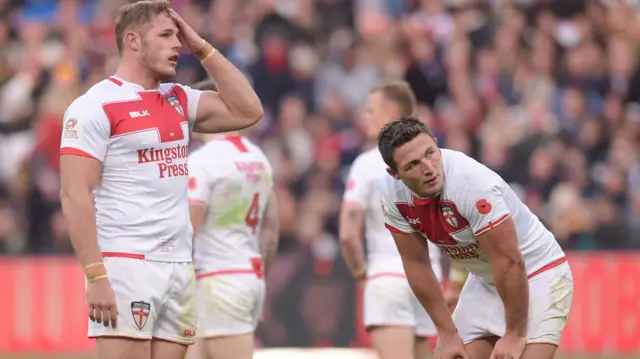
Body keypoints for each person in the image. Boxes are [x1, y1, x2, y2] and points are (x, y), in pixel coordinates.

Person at [59, 1, 263, 359]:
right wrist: (95, 275)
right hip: (126, 262)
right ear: (134, 41)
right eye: (166, 35)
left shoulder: (179, 99)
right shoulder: (95, 106)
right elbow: (75, 193)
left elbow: (249, 110)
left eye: (178, 36)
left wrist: (202, 47)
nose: (177, 45)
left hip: (180, 266)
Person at [377, 117, 573, 359]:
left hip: (538, 273)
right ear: (395, 174)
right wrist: (446, 334)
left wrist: (513, 334)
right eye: (413, 165)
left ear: (437, 145)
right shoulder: (391, 193)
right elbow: (416, 263)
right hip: (485, 280)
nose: (428, 168)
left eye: (430, 153)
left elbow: (510, 261)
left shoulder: (471, 183)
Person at [339, 82, 441, 359]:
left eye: (371, 110)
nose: (365, 116)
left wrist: (362, 274)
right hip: (429, 279)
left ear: (391, 113)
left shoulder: (367, 163)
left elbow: (348, 234)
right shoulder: (433, 161)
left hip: (387, 276)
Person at [186, 80, 279, 359]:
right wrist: (260, 276)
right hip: (246, 275)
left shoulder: (203, 161)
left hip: (217, 278)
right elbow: (271, 226)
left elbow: (188, 229)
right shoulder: (259, 158)